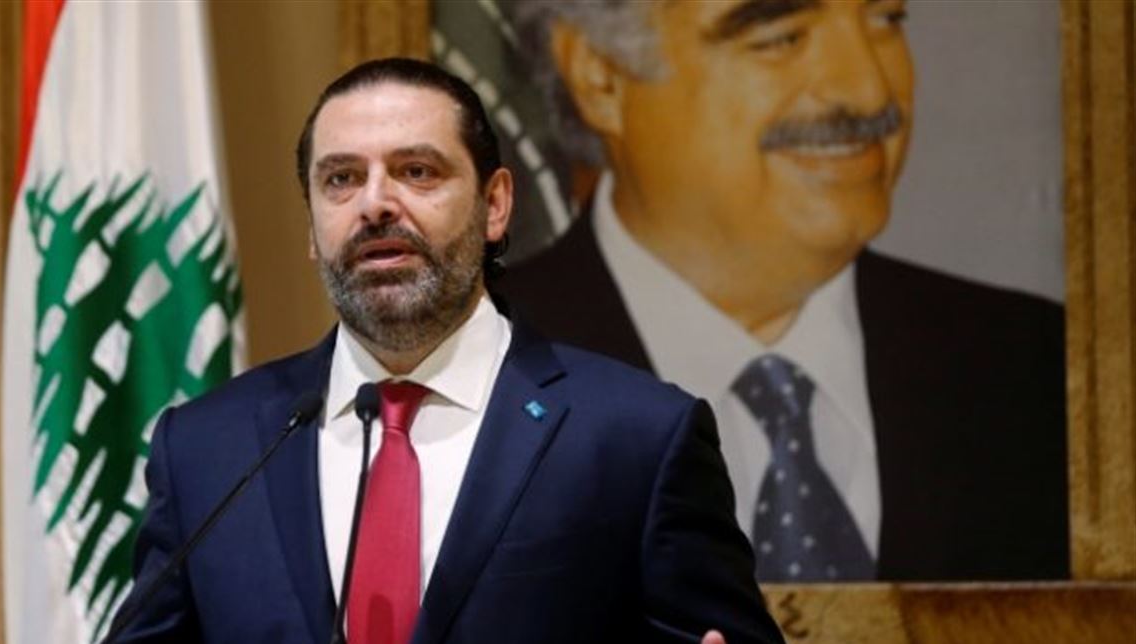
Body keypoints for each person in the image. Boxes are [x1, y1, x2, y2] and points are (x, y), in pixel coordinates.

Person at [108, 58, 785, 643]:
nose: (375, 204)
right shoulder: (207, 451)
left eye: (416, 171)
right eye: (341, 179)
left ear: (495, 205)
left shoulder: (640, 438)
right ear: (313, 225)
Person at [494, 0, 1068, 581]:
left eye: (886, 20)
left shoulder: (1051, 376)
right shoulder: (469, 375)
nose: (868, 90)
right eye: (780, 37)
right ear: (601, 77)